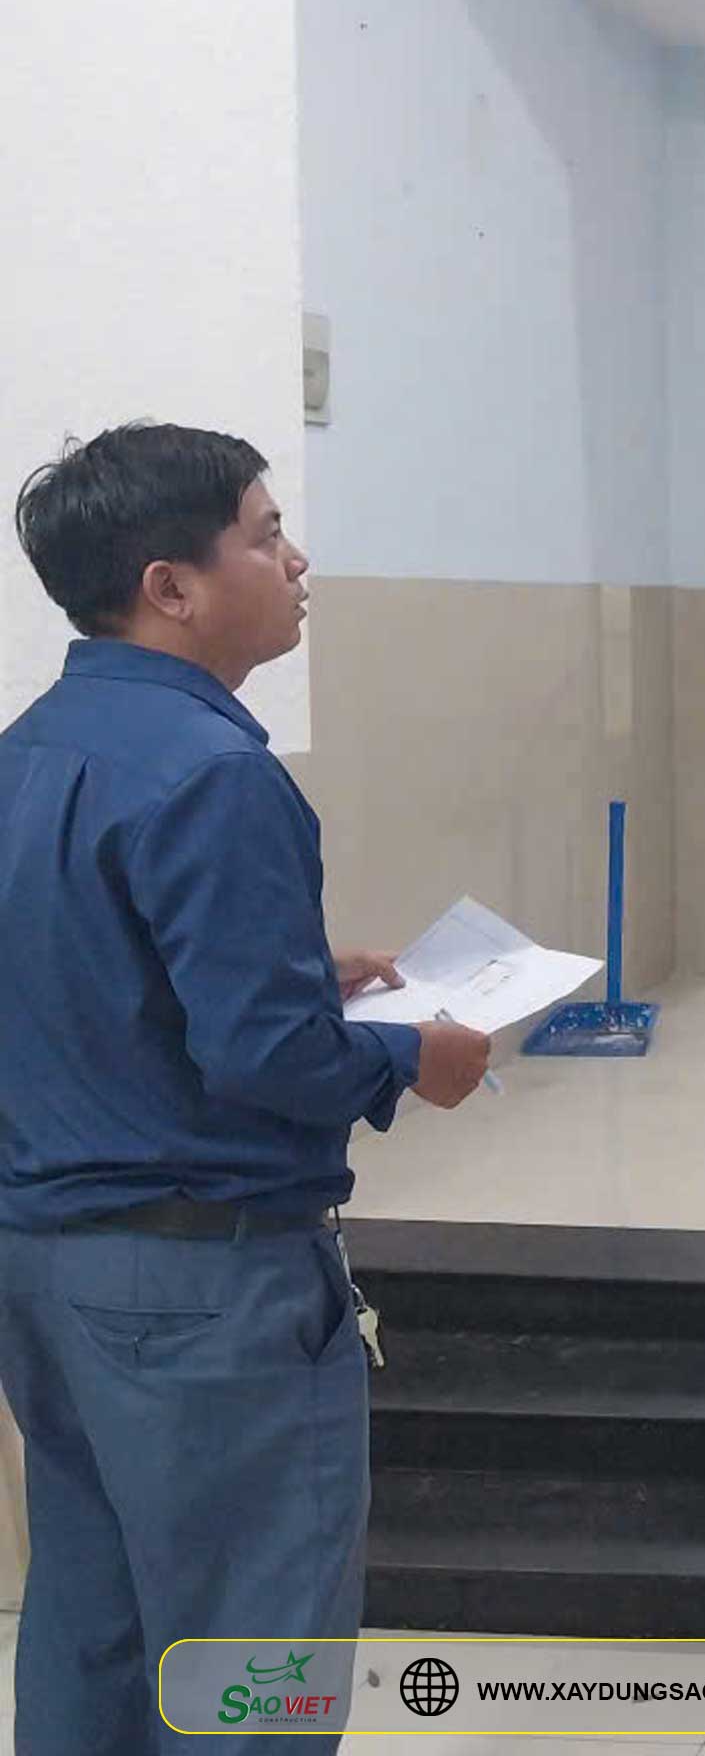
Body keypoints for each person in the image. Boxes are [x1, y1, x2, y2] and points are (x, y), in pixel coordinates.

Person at [0, 424, 494, 1755]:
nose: (298, 561)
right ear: (171, 586)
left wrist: (293, 974)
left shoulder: (28, 751)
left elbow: (76, 976)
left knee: (95, 1627)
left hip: (46, 1272)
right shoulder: (216, 775)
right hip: (201, 1294)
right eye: (267, 536)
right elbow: (268, 1060)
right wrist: (417, 1058)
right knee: (249, 1655)